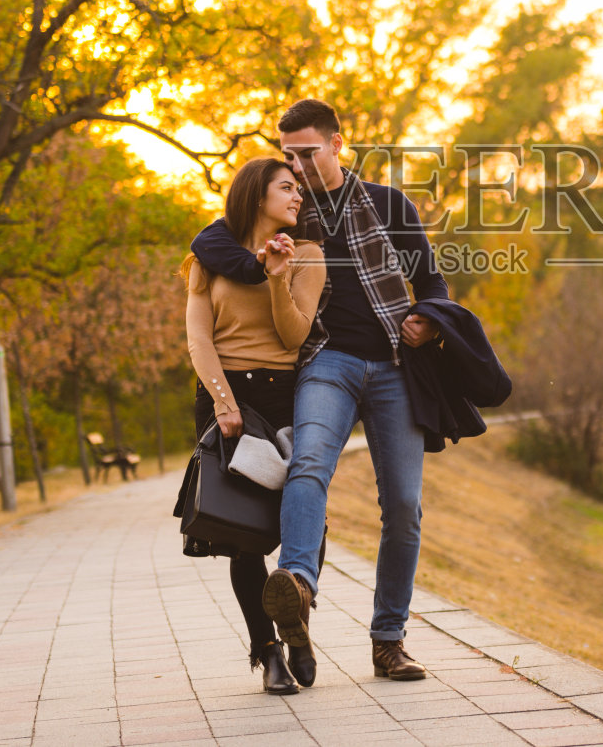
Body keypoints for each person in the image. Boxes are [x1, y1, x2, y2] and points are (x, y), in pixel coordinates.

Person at [190, 98, 449, 682]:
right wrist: (261, 266)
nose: (299, 166)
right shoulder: (294, 213)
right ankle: (298, 585)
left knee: (404, 506)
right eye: (289, 156)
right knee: (308, 468)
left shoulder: (387, 204)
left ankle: (389, 641)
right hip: (324, 362)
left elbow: (432, 282)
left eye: (308, 152)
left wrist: (428, 318)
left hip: (391, 366)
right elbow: (213, 240)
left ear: (337, 144)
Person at [183, 157, 325, 693]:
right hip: (224, 398)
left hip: (285, 397)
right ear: (256, 194)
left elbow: (293, 337)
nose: (297, 198)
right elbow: (199, 339)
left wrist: (277, 278)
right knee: (243, 533)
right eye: (286, 188)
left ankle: (297, 627)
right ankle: (268, 655)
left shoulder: (308, 255)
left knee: (304, 521)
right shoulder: (208, 260)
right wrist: (223, 403)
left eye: (299, 191)